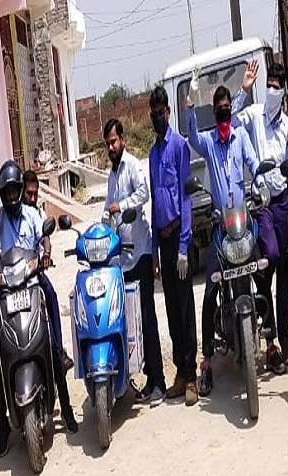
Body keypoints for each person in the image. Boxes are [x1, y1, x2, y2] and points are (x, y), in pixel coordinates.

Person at [0, 160, 78, 458]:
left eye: (16, 191)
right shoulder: (2, 220)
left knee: (50, 296)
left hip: (32, 281)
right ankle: (2, 421)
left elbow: (45, 238)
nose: (13, 196)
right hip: (9, 289)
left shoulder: (33, 214)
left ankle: (64, 404)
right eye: (8, 192)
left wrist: (46, 256)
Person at [186, 76, 261, 397]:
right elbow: (190, 135)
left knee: (264, 268)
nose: (223, 114)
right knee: (209, 291)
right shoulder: (208, 142)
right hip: (220, 226)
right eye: (218, 110)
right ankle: (205, 360)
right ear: (213, 113)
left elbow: (254, 164)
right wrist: (189, 105)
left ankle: (270, 340)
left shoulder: (240, 136)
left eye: (226, 109)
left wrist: (260, 182)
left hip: (243, 221)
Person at [231, 59, 288, 372]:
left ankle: (282, 340)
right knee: (268, 259)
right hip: (262, 205)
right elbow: (229, 123)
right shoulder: (253, 116)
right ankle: (269, 337)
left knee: (285, 272)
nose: (272, 89)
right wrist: (243, 91)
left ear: (283, 89)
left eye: (277, 85)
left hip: (284, 203)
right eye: (268, 83)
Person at [102, 118, 166, 407]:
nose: (111, 147)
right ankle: (138, 379)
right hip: (120, 260)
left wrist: (122, 205)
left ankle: (159, 383)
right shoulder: (112, 174)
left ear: (123, 139)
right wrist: (104, 221)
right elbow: (108, 208)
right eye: (107, 144)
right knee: (128, 323)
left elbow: (144, 194)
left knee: (147, 320)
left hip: (139, 254)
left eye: (114, 141)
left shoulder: (133, 167)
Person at [148, 85, 199, 406]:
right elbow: (155, 202)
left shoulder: (179, 147)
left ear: (169, 112)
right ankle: (180, 373)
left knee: (185, 309)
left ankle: (192, 376)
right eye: (152, 114)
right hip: (163, 241)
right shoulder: (153, 154)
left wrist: (184, 246)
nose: (157, 117)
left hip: (179, 238)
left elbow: (185, 197)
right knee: (169, 310)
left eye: (161, 112)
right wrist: (154, 251)